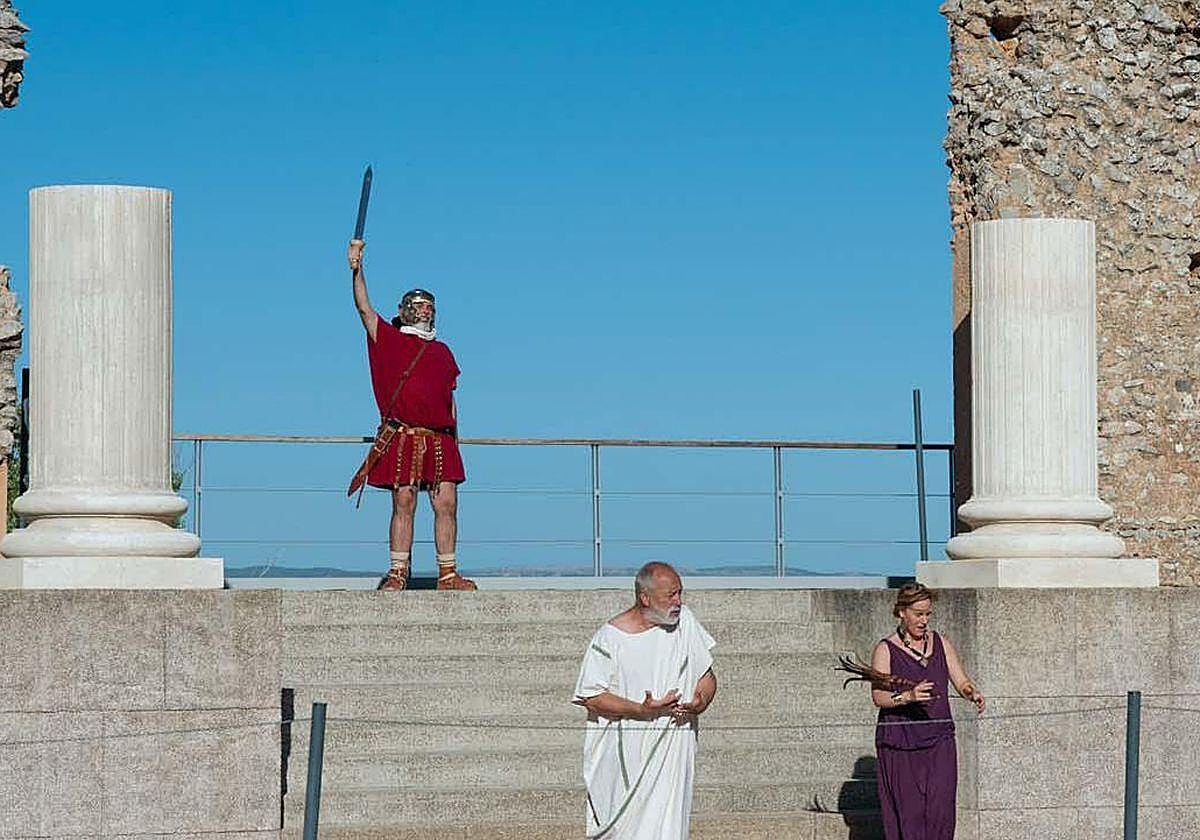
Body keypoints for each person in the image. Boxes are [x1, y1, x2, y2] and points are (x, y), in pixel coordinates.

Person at [346, 238, 475, 591]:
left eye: (429, 305)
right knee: (404, 501)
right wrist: (357, 269)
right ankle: (398, 572)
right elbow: (363, 309)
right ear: (405, 309)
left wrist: (457, 443)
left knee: (446, 504)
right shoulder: (387, 339)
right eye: (418, 305)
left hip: (440, 438)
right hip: (403, 434)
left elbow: (451, 403)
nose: (424, 310)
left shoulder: (444, 352)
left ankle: (447, 574)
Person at [572, 561, 717, 840]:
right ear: (645, 598)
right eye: (670, 596)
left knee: (670, 828)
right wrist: (640, 710)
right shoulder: (610, 638)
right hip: (628, 751)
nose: (678, 602)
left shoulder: (685, 623)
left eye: (679, 593)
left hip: (674, 745)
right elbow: (591, 696)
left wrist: (701, 701)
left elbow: (706, 676)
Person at [870, 583, 984, 840]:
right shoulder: (885, 649)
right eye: (918, 614)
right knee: (909, 816)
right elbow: (878, 697)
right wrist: (908, 697)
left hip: (939, 740)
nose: (924, 620)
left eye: (928, 614)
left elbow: (961, 681)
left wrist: (971, 693)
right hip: (901, 744)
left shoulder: (941, 642)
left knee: (941, 811)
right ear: (902, 612)